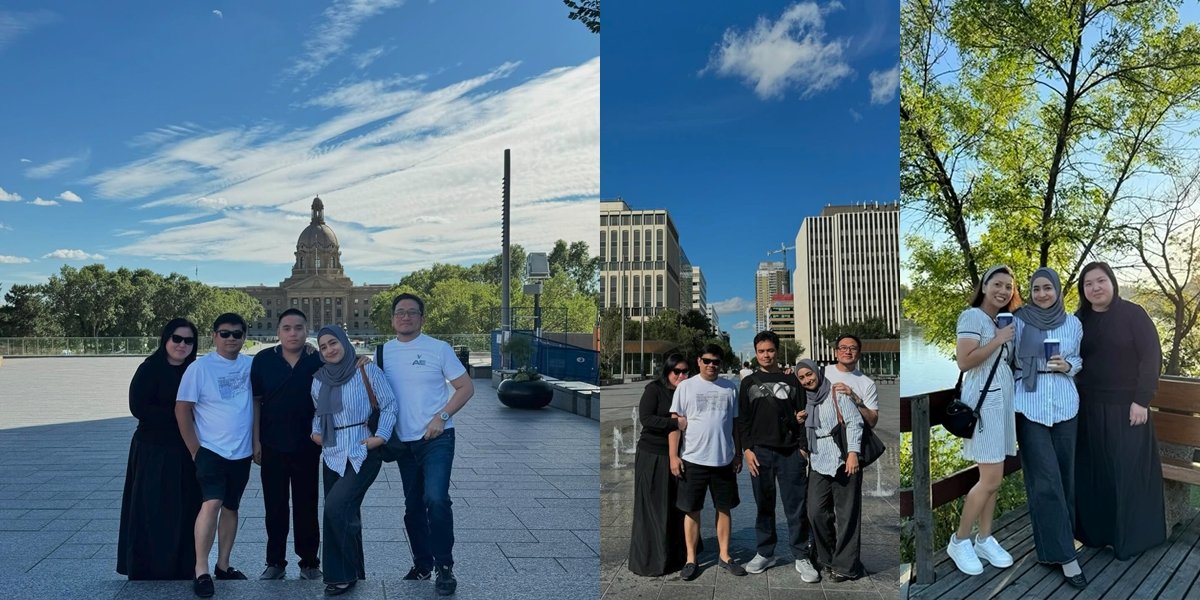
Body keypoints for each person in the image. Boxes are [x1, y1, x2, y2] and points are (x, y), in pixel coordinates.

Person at [377, 293, 475, 596]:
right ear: (392, 318)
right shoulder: (382, 353)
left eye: (412, 312)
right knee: (413, 507)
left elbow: (466, 387)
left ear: (422, 318)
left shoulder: (438, 349)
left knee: (436, 498)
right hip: (403, 443)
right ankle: (422, 564)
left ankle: (444, 566)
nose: (405, 317)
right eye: (400, 312)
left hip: (436, 438)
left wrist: (441, 416)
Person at [1074, 261, 1166, 560]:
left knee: (1126, 473)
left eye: (1101, 281)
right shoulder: (1080, 319)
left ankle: (1132, 538)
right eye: (1089, 283)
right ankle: (1097, 535)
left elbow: (1151, 357)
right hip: (1088, 408)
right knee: (1095, 474)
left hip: (1127, 408)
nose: (1095, 288)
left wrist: (1142, 400)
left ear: (1112, 283)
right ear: (1083, 289)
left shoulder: (1133, 314)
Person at [1012, 267, 1086, 587]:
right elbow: (1005, 357)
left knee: (1065, 478)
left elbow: (1079, 360)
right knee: (1044, 482)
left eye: (1048, 288)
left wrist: (1069, 365)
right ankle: (1067, 559)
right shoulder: (1017, 321)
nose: (1042, 294)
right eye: (1036, 288)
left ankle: (1052, 547)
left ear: (1057, 290)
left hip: (1066, 406)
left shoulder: (1073, 323)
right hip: (1029, 405)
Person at [309, 325, 397, 596]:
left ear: (345, 343)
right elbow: (319, 412)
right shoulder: (319, 379)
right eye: (323, 347)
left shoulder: (367, 370)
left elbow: (389, 404)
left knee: (335, 508)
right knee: (346, 513)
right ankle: (356, 570)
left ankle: (340, 575)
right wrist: (315, 432)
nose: (329, 350)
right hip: (333, 453)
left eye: (333, 343)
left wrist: (380, 437)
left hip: (362, 449)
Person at [946, 265, 1019, 576]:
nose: (1002, 291)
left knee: (994, 480)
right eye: (997, 284)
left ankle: (985, 538)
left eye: (1008, 287)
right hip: (984, 403)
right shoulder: (972, 316)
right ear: (985, 285)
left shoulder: (1001, 320)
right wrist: (999, 338)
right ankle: (959, 540)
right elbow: (965, 360)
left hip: (1002, 402)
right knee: (989, 479)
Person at [117, 318, 203, 580]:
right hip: (153, 449)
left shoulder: (196, 370)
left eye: (188, 340)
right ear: (166, 339)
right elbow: (138, 407)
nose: (182, 345)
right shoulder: (149, 368)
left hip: (186, 450)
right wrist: (180, 416)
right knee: (152, 508)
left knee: (185, 508)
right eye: (176, 338)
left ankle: (182, 565)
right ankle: (148, 566)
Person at [176, 313, 254, 597]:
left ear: (244, 337)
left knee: (231, 507)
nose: (231, 338)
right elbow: (182, 408)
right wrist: (195, 449)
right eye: (225, 333)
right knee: (212, 503)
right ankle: (201, 569)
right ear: (214, 336)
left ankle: (223, 565)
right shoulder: (200, 368)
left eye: (236, 334)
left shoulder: (250, 365)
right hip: (210, 449)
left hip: (241, 451)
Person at [737, 331, 818, 582]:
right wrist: (747, 450)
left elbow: (804, 414)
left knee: (796, 507)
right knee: (764, 506)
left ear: (777, 351)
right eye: (761, 351)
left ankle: (801, 554)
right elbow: (744, 420)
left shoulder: (793, 380)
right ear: (755, 352)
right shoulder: (748, 383)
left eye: (770, 350)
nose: (765, 355)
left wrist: (803, 449)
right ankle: (765, 552)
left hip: (790, 452)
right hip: (760, 453)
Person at [251, 308, 323, 581]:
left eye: (298, 328)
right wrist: (255, 440)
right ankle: (275, 562)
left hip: (307, 445)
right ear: (278, 331)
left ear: (307, 330)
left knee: (307, 505)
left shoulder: (318, 360)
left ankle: (309, 562)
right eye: (287, 328)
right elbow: (256, 402)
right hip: (271, 443)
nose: (293, 333)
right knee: (275, 507)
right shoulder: (262, 360)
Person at [669, 344, 745, 580]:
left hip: (723, 460)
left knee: (724, 508)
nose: (712, 365)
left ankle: (725, 555)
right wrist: (674, 456)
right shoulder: (685, 387)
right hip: (693, 459)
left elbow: (736, 425)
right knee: (692, 510)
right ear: (699, 361)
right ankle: (691, 558)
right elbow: (675, 424)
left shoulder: (730, 388)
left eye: (716, 362)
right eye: (707, 360)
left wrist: (738, 453)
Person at [797, 358, 864, 581]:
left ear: (817, 372)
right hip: (817, 461)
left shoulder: (836, 393)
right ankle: (826, 558)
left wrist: (853, 453)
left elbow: (855, 422)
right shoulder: (806, 401)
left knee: (847, 515)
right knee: (815, 512)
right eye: (802, 377)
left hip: (843, 459)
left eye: (809, 374)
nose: (807, 380)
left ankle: (845, 566)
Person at [627, 353, 690, 576]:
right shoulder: (654, 389)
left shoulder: (687, 391)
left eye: (685, 371)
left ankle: (676, 555)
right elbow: (646, 419)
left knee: (674, 506)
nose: (681, 376)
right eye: (677, 371)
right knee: (653, 507)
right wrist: (675, 422)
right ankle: (651, 559)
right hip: (652, 455)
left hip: (677, 455)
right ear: (667, 371)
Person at [823, 334, 880, 429]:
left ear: (859, 353)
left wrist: (855, 398)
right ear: (836, 352)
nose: (848, 352)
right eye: (843, 348)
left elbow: (872, 422)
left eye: (853, 348)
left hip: (852, 437)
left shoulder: (868, 384)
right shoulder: (821, 373)